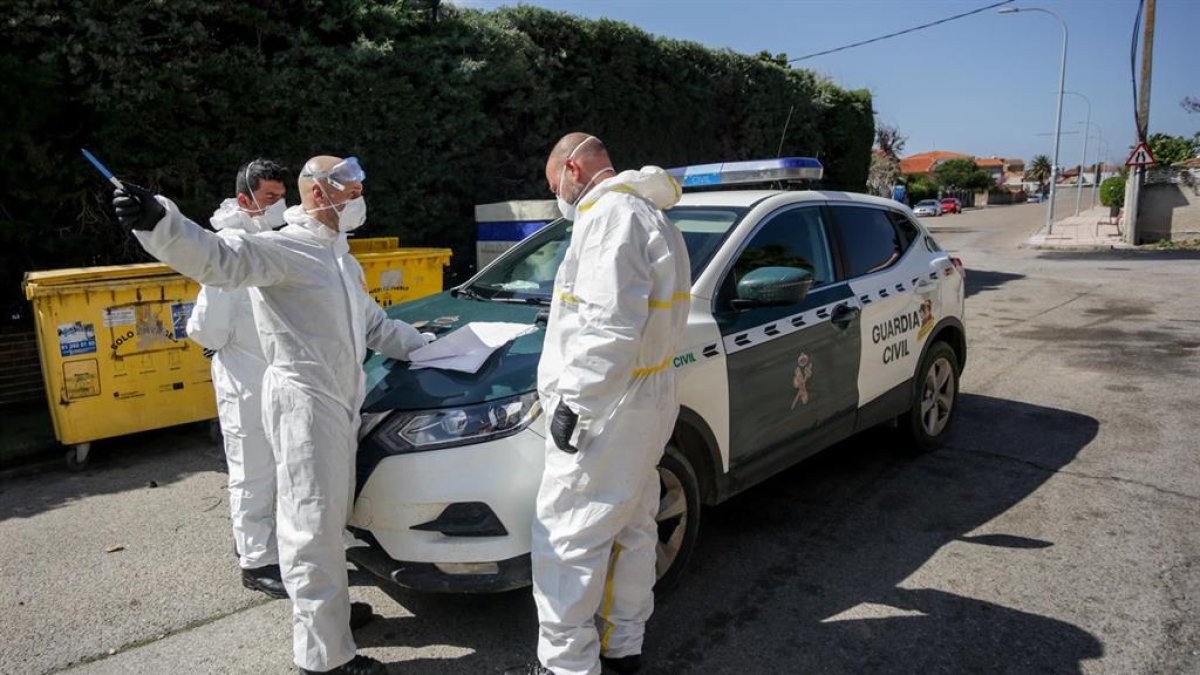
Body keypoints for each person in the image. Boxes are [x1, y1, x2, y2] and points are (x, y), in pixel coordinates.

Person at [113, 156, 426, 675]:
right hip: (305, 406)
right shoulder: (286, 248)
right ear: (321, 195)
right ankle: (323, 658)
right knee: (310, 529)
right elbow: (219, 259)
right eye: (350, 187)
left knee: (329, 524)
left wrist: (432, 347)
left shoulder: (340, 261)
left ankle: (332, 618)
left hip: (337, 402)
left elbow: (374, 326)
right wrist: (157, 219)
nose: (359, 195)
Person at [507, 133, 691, 675]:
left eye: (553, 184)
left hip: (607, 407)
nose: (559, 195)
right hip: (644, 398)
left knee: (567, 536)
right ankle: (624, 644)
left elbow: (610, 325)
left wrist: (576, 404)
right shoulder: (649, 214)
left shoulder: (611, 218)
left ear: (570, 169)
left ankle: (566, 666)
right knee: (633, 524)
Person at [186, 158, 289, 599]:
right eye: (269, 199)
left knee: (279, 468)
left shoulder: (275, 241)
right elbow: (206, 329)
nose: (279, 207)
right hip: (243, 377)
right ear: (245, 200)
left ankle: (263, 542)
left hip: (271, 372)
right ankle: (256, 562)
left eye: (283, 198)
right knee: (253, 470)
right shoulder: (228, 246)